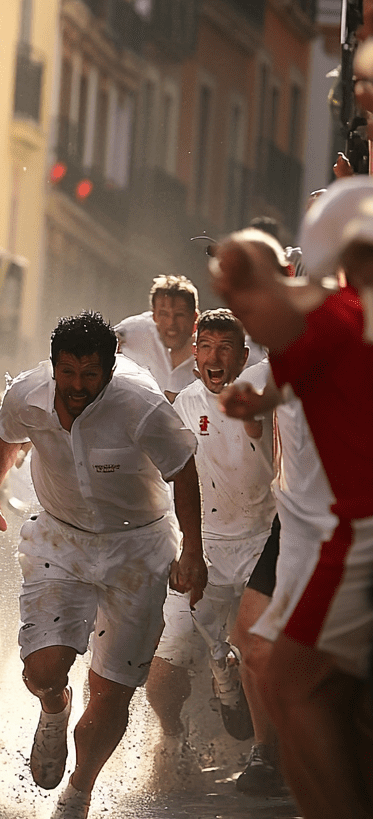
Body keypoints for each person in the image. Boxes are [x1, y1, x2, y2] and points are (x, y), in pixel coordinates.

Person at [0, 311, 206, 819]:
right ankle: (53, 708)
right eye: (68, 374)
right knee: (43, 668)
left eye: (89, 375)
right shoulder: (26, 395)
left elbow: (184, 471)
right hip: (60, 537)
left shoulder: (141, 406)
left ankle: (77, 796)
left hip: (139, 548)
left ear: (109, 367)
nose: (77, 387)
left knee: (113, 691)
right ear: (54, 366)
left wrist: (192, 550)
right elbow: (3, 437)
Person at [212, 178, 373, 819]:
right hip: (339, 527)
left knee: (291, 679)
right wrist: (259, 399)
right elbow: (285, 371)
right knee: (323, 693)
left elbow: (286, 326)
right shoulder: (345, 321)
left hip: (358, 529)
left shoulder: (341, 316)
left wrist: (246, 268)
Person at [144, 309, 275, 758]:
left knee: (262, 654)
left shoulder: (262, 390)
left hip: (265, 543)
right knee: (160, 679)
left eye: (226, 349)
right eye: (206, 348)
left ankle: (264, 751)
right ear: (195, 355)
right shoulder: (184, 405)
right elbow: (173, 479)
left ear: (243, 356)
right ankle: (175, 745)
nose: (214, 357)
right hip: (206, 550)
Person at [114, 276, 200, 402]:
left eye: (179, 314)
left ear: (195, 316)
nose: (172, 322)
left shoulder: (210, 347)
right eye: (164, 314)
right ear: (154, 316)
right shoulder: (133, 330)